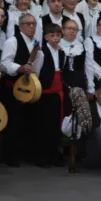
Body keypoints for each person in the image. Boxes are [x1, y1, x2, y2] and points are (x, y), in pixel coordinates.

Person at [0, 12, 40, 166]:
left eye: (33, 24)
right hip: (14, 87)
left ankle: (25, 153)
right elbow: (5, 63)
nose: (31, 27)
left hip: (31, 88)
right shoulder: (12, 41)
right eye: (28, 24)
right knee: (13, 122)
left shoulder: (35, 43)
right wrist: (20, 68)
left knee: (27, 121)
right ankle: (10, 156)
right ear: (20, 26)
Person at [30, 24, 67, 167]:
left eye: (58, 35)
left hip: (57, 92)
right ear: (46, 37)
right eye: (52, 35)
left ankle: (53, 155)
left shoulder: (61, 52)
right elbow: (37, 71)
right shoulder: (41, 52)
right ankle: (42, 157)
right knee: (44, 126)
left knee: (55, 126)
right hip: (45, 92)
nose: (56, 38)